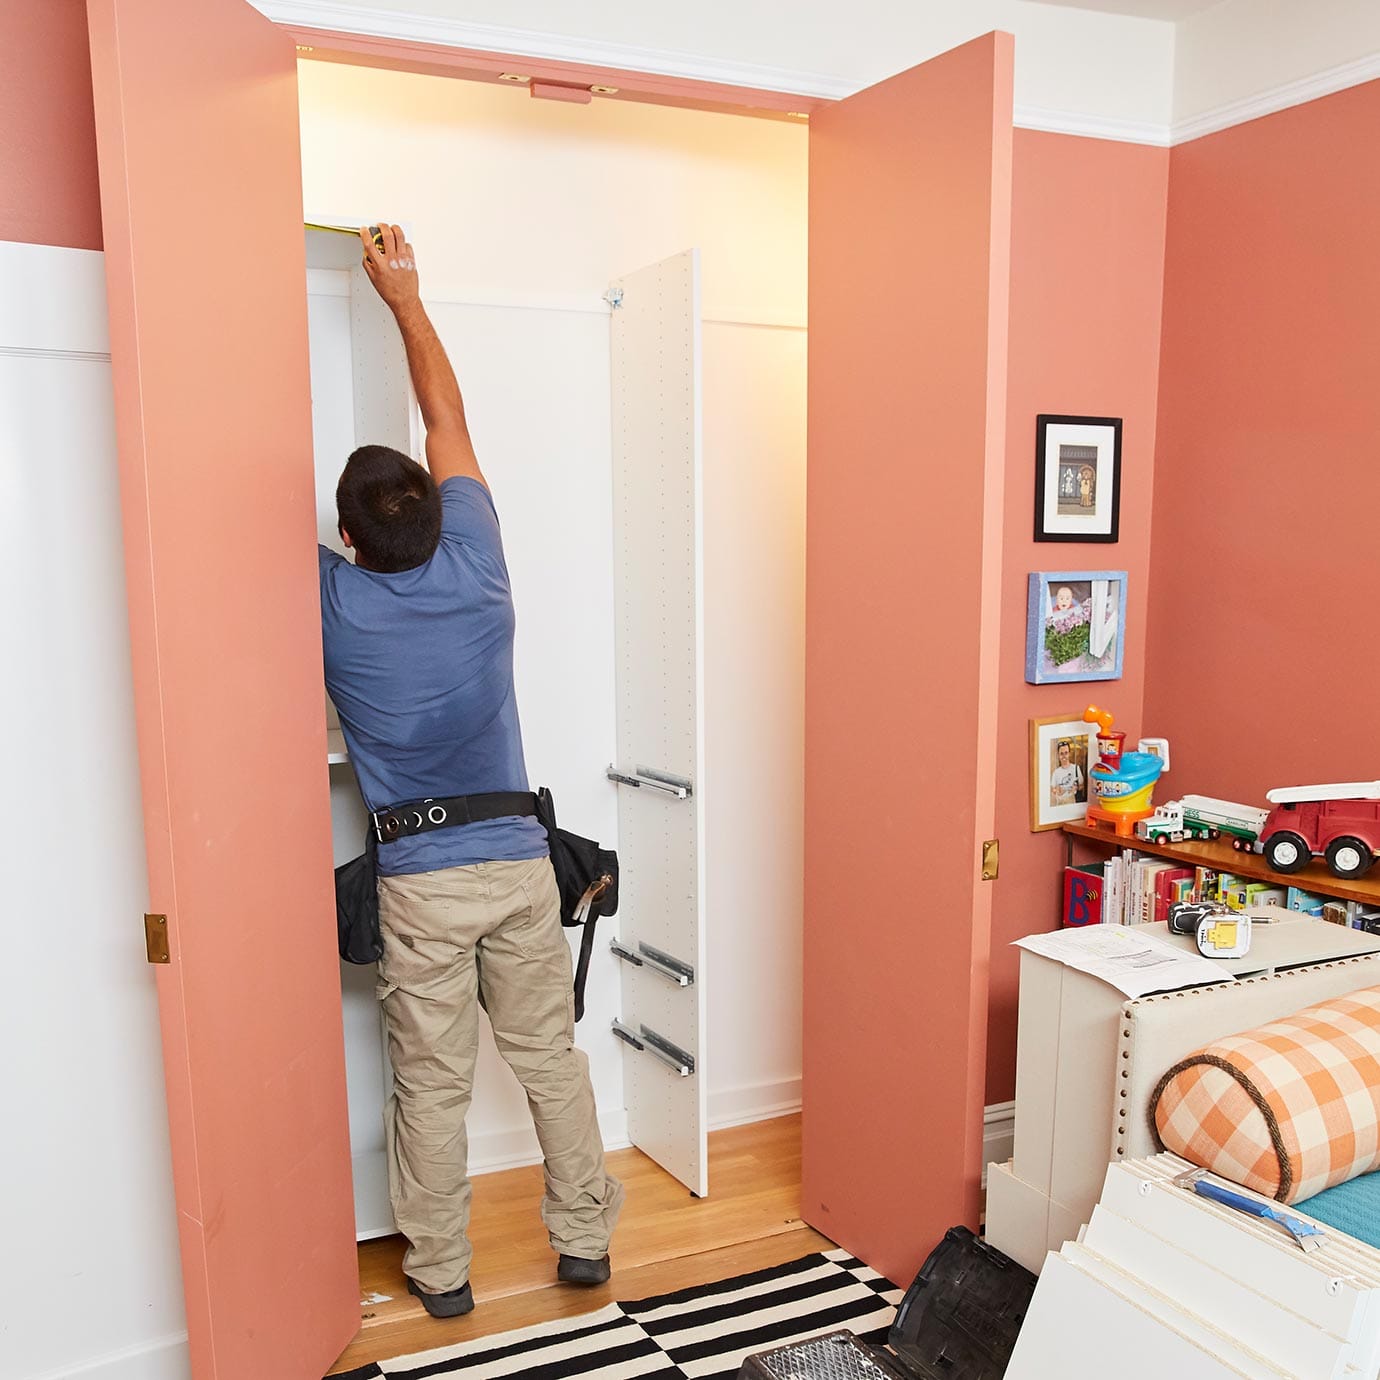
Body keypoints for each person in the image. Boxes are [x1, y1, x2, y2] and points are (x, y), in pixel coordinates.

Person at [318, 225, 623, 1319]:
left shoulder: (333, 599)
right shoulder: (481, 561)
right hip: (519, 864)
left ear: (345, 538)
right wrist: (404, 299)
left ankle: (442, 1275)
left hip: (425, 885)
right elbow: (446, 419)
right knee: (552, 1065)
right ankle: (584, 1245)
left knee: (432, 1085)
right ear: (442, 517)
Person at [1050, 740, 1085, 807]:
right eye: (1061, 753)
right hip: (1060, 804)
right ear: (1058, 755)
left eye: (1066, 753)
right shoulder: (1056, 772)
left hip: (1072, 803)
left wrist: (1075, 788)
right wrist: (1057, 790)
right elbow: (1052, 789)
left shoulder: (1076, 768)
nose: (1064, 756)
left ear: (1069, 753)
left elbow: (1082, 786)